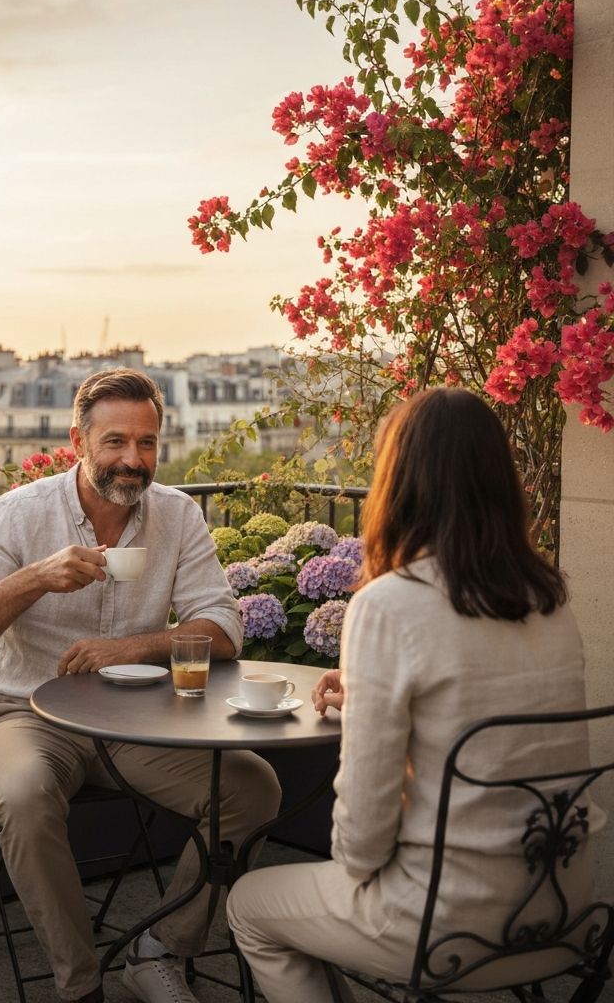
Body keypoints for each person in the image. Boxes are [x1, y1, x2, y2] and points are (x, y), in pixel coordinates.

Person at [226, 387, 599, 1002]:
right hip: (562, 912)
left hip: (448, 925)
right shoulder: (547, 598)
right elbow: (499, 714)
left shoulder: (389, 603)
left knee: (248, 904)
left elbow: (362, 841)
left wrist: (355, 870)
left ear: (398, 481)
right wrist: (379, 701)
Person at [0, 368, 281, 1003]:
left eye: (147, 444)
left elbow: (225, 626)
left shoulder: (176, 516)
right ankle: (78, 983)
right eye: (116, 442)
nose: (133, 460)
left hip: (137, 718)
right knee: (24, 794)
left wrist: (134, 648)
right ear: (78, 441)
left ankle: (161, 950)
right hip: (29, 713)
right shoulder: (20, 513)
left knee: (253, 787)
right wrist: (35, 578)